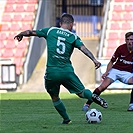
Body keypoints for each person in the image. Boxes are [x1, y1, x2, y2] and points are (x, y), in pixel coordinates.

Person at [14, 13, 108, 124]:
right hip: (67, 72)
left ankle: (66, 119)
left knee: (54, 97)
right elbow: (83, 49)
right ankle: (93, 97)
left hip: (51, 72)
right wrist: (94, 60)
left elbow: (31, 32)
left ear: (60, 23)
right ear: (72, 25)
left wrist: (21, 34)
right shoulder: (73, 37)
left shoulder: (50, 31)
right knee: (82, 92)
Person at [82, 31, 133, 112]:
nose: (130, 42)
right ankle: (87, 104)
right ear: (125, 40)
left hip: (127, 73)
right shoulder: (121, 48)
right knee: (102, 87)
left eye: (132, 39)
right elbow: (112, 61)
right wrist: (106, 72)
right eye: (128, 39)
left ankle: (131, 104)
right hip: (116, 70)